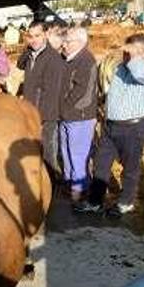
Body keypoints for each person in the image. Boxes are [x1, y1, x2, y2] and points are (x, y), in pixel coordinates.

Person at [76, 34, 144, 217]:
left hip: (134, 126)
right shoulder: (120, 68)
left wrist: (135, 55)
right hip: (111, 125)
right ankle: (95, 201)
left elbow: (138, 73)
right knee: (101, 163)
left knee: (130, 167)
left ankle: (126, 202)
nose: (124, 54)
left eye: (129, 51)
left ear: (142, 51)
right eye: (125, 51)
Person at [18, 20, 66, 176]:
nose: (33, 40)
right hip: (30, 113)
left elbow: (52, 93)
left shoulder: (53, 59)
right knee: (33, 152)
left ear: (46, 34)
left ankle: (52, 187)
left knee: (48, 153)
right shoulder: (32, 55)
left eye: (37, 36)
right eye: (30, 36)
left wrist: (39, 117)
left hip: (45, 116)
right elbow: (19, 64)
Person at [59, 27, 99, 201]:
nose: (64, 44)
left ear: (79, 43)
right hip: (67, 116)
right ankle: (70, 186)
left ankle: (79, 194)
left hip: (80, 117)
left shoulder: (86, 61)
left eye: (67, 42)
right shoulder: (69, 60)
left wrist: (64, 109)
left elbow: (82, 92)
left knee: (77, 157)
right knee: (66, 153)